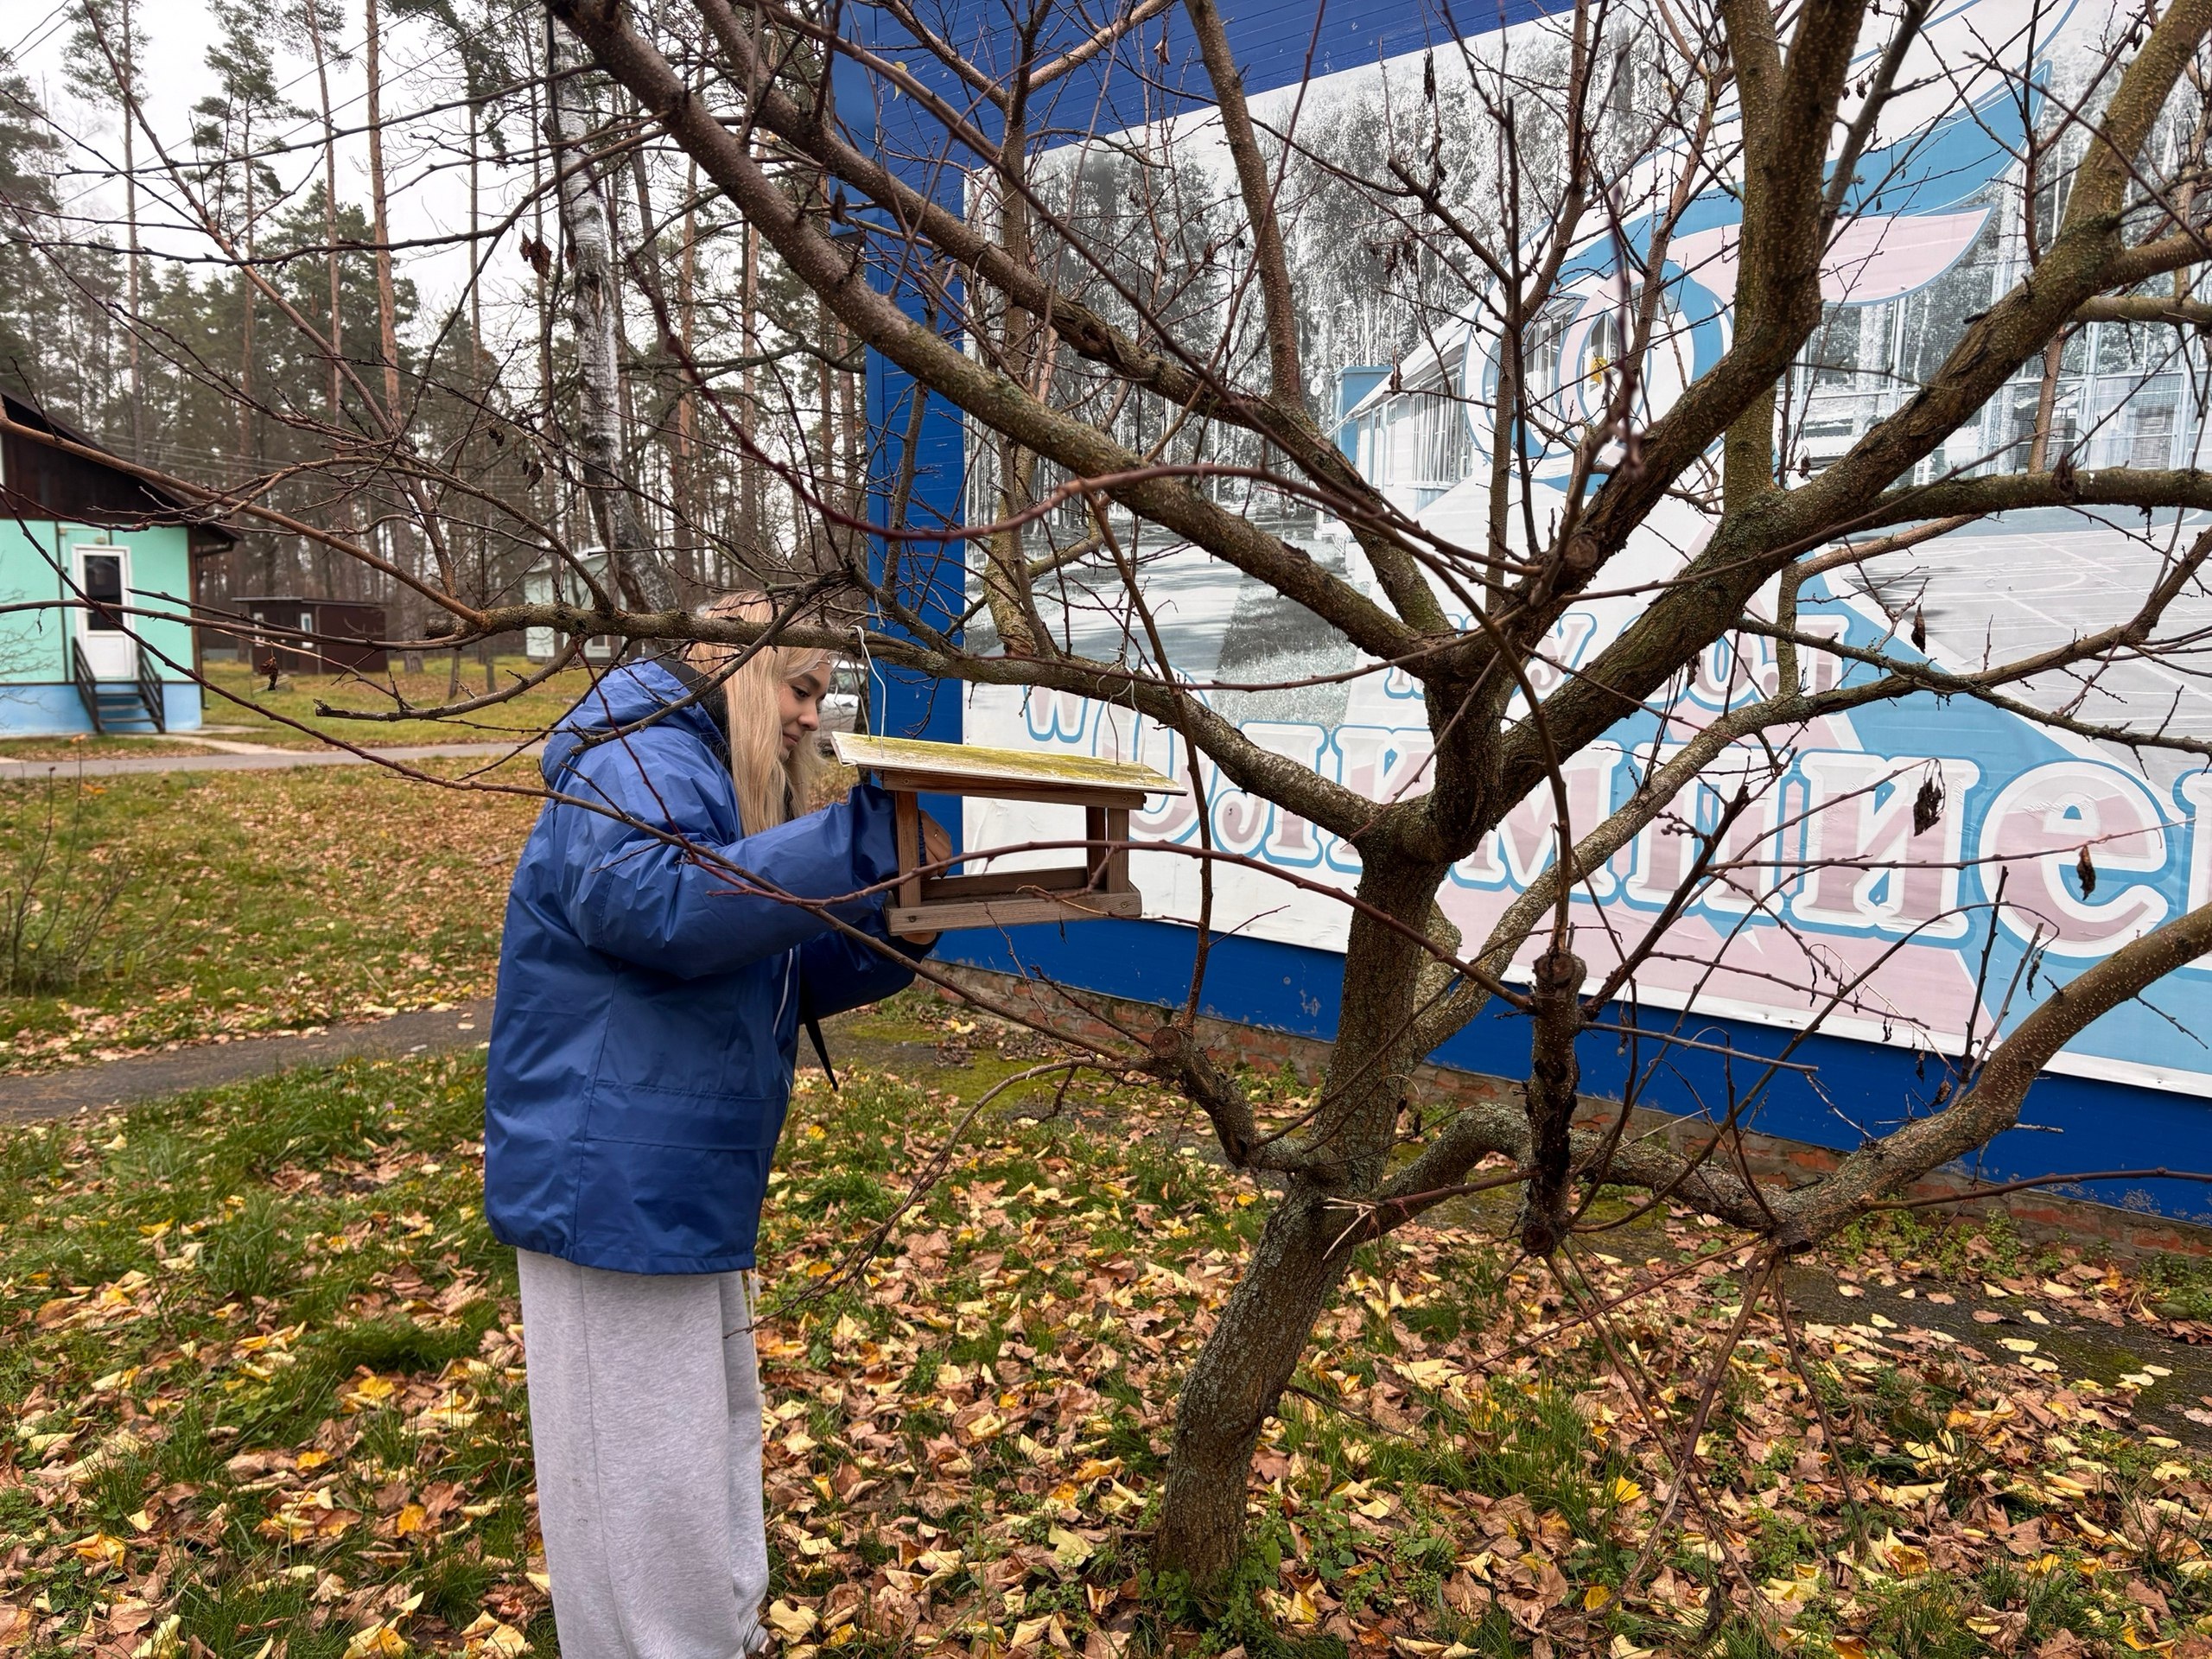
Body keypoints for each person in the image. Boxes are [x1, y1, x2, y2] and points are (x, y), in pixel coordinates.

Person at [483, 594, 942, 1656]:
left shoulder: (687, 769)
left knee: (695, 1450)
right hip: (612, 1183)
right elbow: (665, 906)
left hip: (670, 1175)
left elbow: (757, 959)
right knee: (643, 1477)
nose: (810, 720)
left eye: (823, 697)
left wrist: (896, 924)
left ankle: (713, 1636)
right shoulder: (633, 754)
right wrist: (856, 840)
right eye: (798, 686)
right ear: (728, 666)